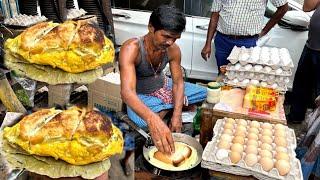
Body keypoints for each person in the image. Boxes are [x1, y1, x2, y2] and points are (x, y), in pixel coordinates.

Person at [119, 5, 207, 155]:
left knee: (205, 93)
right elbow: (127, 93)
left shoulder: (173, 49)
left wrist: (177, 115)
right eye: (166, 36)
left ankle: (167, 107)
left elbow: (178, 83)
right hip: (141, 94)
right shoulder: (131, 48)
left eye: (175, 38)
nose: (170, 42)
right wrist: (153, 119)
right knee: (143, 123)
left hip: (165, 85)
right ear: (151, 27)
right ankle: (167, 107)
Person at [201, 0, 288, 72]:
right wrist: (207, 43)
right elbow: (215, 15)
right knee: (223, 74)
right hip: (223, 41)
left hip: (247, 43)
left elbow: (283, 8)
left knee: (243, 77)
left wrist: (264, 31)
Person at [288, 0, 320, 124]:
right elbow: (307, 7)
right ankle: (296, 116)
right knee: (301, 85)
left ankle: (314, 137)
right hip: (311, 46)